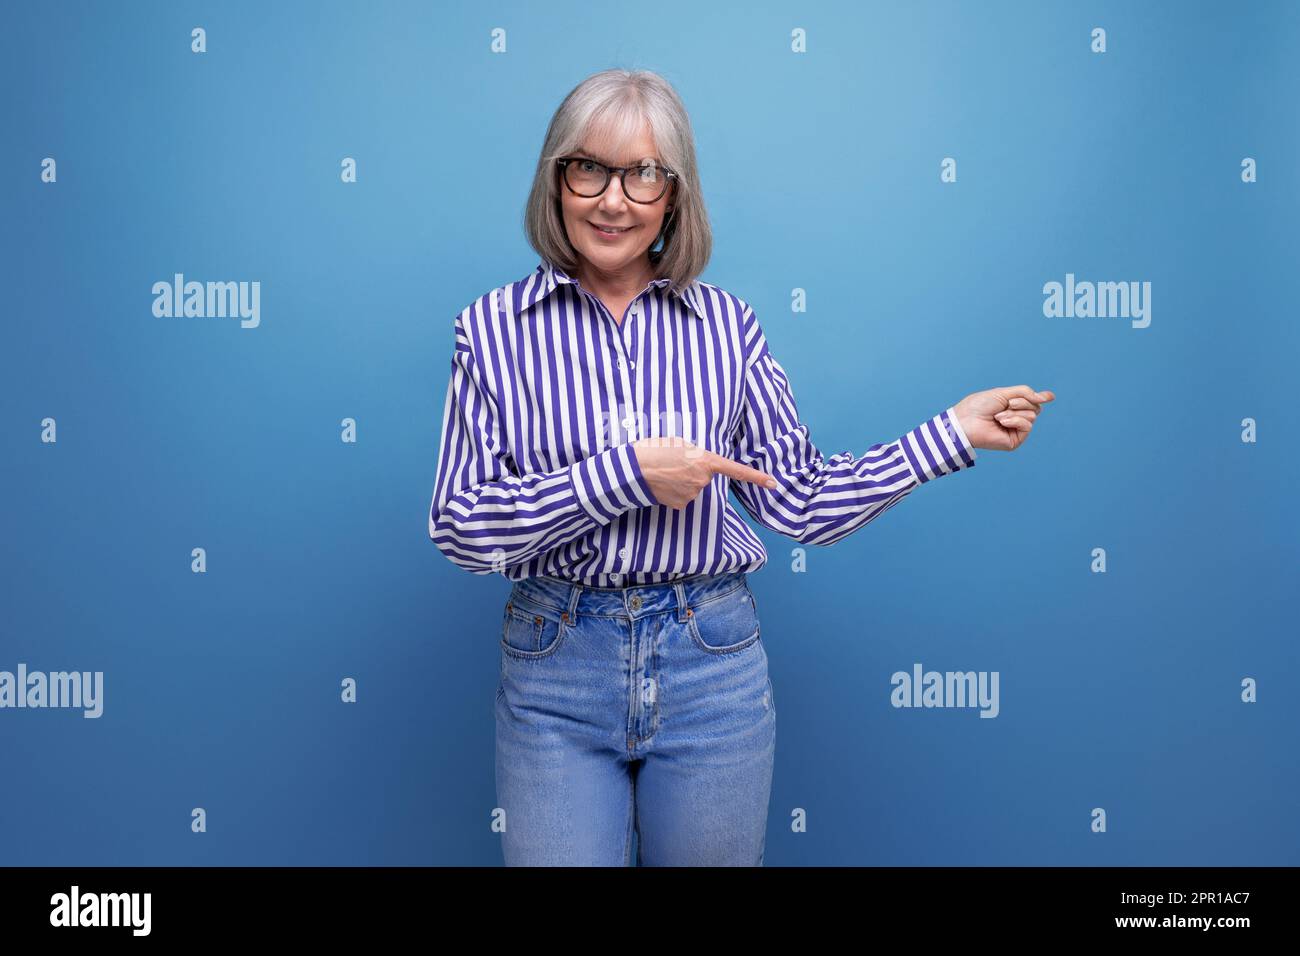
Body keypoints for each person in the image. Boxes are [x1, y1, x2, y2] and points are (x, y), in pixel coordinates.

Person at [428, 68, 1054, 866]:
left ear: (673, 198)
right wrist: (622, 477)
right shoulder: (490, 330)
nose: (612, 199)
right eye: (587, 168)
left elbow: (802, 501)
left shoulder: (728, 328)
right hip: (557, 667)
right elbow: (460, 527)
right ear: (556, 180)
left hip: (710, 665)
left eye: (643, 174)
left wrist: (950, 434)